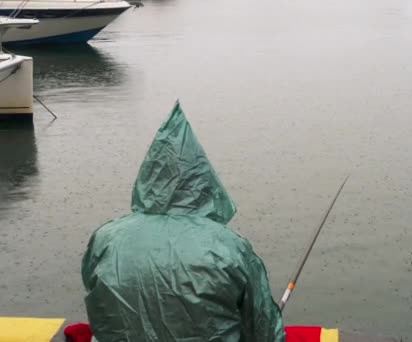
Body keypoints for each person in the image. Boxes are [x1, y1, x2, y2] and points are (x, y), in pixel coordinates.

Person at [81, 102, 285, 342]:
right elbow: (262, 329)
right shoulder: (229, 246)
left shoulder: (106, 238)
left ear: (148, 176)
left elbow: (96, 298)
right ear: (202, 179)